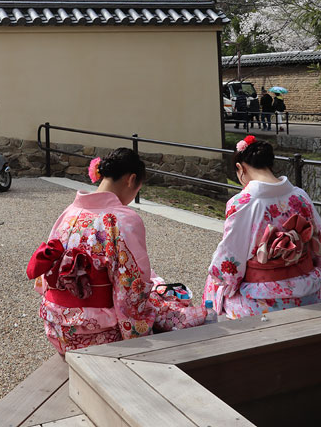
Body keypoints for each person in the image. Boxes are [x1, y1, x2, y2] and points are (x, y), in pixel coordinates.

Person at [27, 148, 206, 355]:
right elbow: (131, 290)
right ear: (131, 180)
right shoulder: (121, 219)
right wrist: (138, 336)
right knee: (160, 301)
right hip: (95, 337)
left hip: (57, 329)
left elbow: (45, 278)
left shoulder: (68, 212)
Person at [204, 135, 321, 320]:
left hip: (260, 301)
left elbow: (229, 262)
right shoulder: (299, 196)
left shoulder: (242, 202)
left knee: (213, 281)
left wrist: (224, 283)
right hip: (308, 293)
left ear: (240, 168)